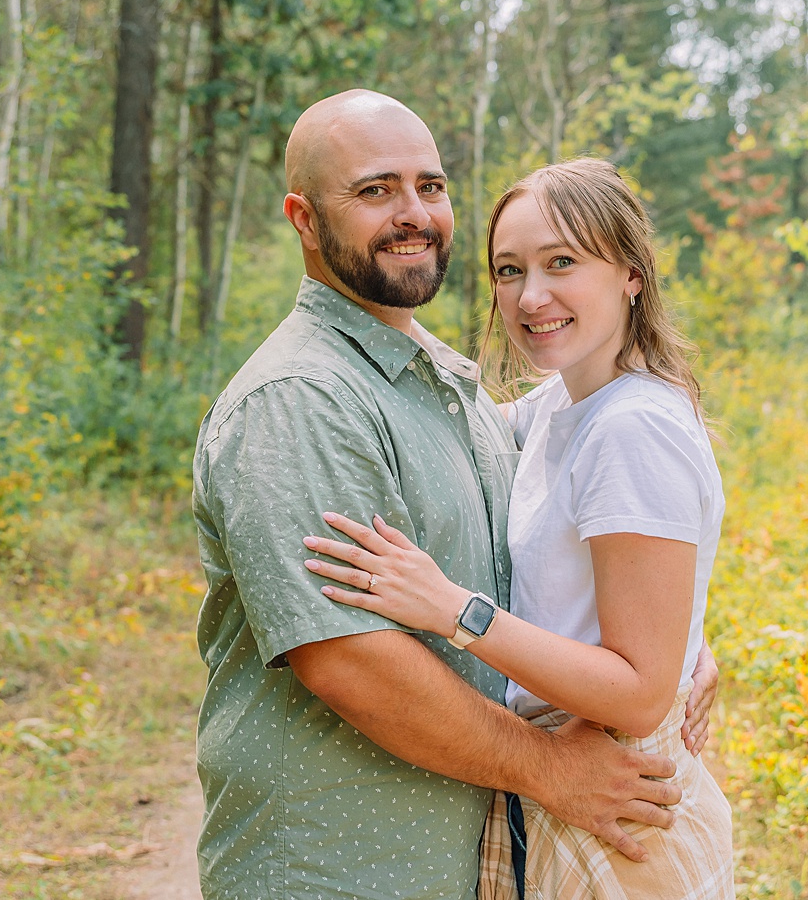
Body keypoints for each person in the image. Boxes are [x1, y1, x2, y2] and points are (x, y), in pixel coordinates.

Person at [191, 91, 717, 900]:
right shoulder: (301, 399)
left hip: (470, 853)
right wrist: (550, 766)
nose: (413, 213)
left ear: (633, 275)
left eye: (429, 186)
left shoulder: (444, 385)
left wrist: (676, 647)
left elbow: (601, 537)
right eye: (375, 191)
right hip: (339, 865)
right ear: (303, 217)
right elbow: (348, 657)